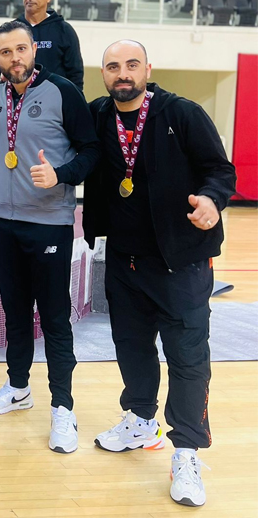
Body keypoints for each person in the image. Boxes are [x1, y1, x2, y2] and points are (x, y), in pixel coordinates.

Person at [83, 40, 236, 508]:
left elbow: (219, 170)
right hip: (124, 261)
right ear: (103, 74)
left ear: (148, 68)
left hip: (181, 263)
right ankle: (140, 419)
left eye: (131, 64)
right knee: (131, 346)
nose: (122, 73)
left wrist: (210, 200)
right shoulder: (97, 116)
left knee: (187, 359)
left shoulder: (182, 113)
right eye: (113, 67)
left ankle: (187, 452)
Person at [0, 20, 99, 455]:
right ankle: (17, 387)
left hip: (50, 223)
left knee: (53, 319)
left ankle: (63, 408)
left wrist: (60, 175)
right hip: (6, 223)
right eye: (5, 52)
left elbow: (92, 151)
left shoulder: (62, 90)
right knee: (14, 313)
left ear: (34, 50)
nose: (15, 58)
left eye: (21, 49)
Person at [0, 0, 84, 107]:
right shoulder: (9, 31)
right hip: (14, 104)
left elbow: (75, 75)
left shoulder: (64, 30)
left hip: (53, 104)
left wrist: (75, 105)